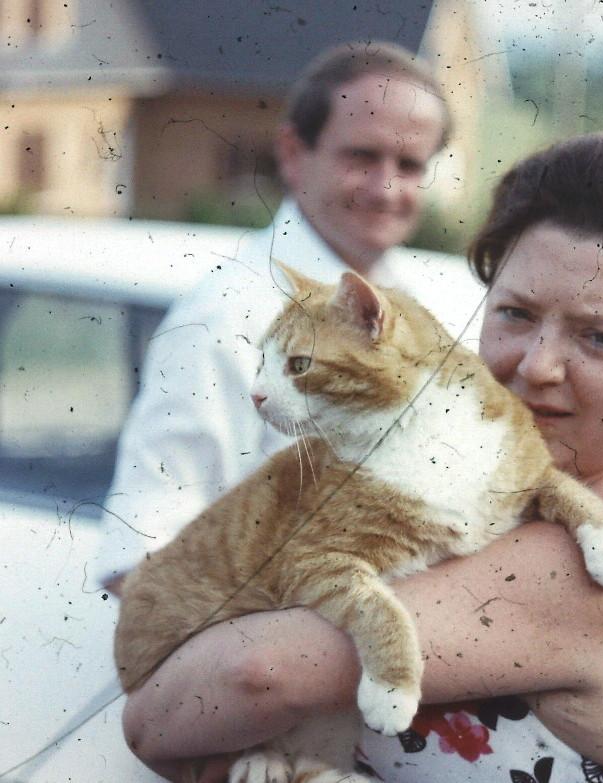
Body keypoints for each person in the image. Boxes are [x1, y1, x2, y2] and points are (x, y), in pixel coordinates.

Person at [121, 131, 603, 782]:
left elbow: (232, 683)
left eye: (599, 338)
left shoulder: (582, 566)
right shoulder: (501, 514)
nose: (537, 364)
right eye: (515, 313)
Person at [89, 40, 474, 593]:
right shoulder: (227, 315)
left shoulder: (436, 304)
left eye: (410, 165)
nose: (386, 188)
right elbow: (143, 552)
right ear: (293, 155)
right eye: (362, 156)